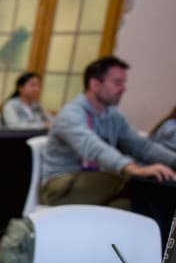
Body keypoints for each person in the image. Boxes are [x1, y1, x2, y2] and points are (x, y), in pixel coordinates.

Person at [41, 56, 176, 207]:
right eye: (117, 83)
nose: (123, 88)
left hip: (97, 185)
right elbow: (94, 147)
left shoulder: (112, 115)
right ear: (95, 84)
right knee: (136, 183)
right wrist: (134, 169)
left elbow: (141, 146)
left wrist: (173, 160)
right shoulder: (70, 114)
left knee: (141, 206)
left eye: (124, 83)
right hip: (62, 187)